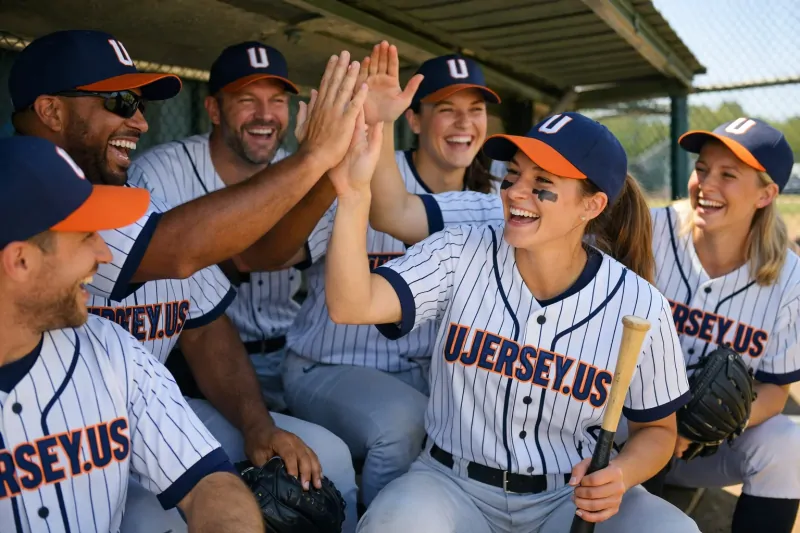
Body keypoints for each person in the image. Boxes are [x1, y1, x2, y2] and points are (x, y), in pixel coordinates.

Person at [8, 29, 361, 532]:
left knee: (323, 462)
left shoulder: (134, 199)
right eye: (121, 100)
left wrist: (257, 424)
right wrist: (315, 157)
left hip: (149, 413)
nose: (141, 120)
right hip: (63, 434)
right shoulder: (24, 198)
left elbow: (202, 326)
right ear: (51, 111)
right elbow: (175, 252)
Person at [324, 110, 701, 533]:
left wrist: (622, 474)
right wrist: (354, 192)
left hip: (567, 498)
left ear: (591, 206)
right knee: (392, 525)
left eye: (542, 184)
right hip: (451, 485)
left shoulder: (639, 302)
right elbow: (351, 305)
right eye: (514, 175)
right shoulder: (459, 251)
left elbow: (657, 431)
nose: (516, 192)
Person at [274, 41, 505, 509]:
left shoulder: (500, 197)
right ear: (414, 119)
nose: (464, 123)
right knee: (405, 423)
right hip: (332, 365)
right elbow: (278, 254)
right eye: (447, 109)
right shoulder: (367, 166)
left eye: (475, 109)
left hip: (424, 375)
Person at [0, 136, 263, 533]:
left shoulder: (115, 350)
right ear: (20, 261)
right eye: (86, 235)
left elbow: (212, 484)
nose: (105, 254)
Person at [128, 41, 312, 415]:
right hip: (195, 365)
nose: (265, 115)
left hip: (291, 351)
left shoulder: (302, 171)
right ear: (213, 109)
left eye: (277, 101)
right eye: (247, 100)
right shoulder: (159, 172)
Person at [651, 118, 800, 533]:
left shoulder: (791, 279)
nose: (705, 184)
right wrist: (659, 424)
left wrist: (703, 425)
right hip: (628, 431)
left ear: (766, 194)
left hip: (705, 449)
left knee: (789, 443)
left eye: (728, 175)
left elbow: (774, 389)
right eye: (702, 169)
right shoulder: (652, 230)